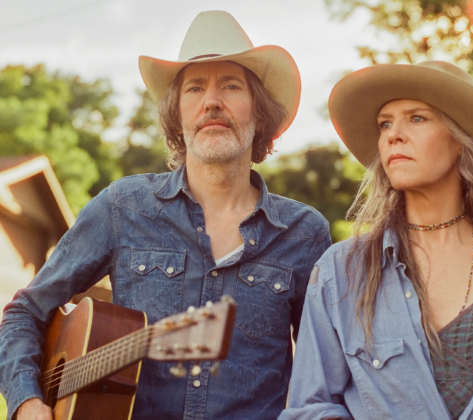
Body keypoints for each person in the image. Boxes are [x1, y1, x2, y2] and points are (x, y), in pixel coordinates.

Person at [0, 10, 331, 420]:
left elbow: (323, 377)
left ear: (259, 111)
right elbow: (22, 313)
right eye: (195, 88)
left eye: (230, 85)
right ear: (177, 113)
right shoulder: (124, 206)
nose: (212, 101)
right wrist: (27, 404)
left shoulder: (304, 233)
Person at [280, 61, 473, 420]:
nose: (393, 134)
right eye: (385, 123)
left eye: (416, 118)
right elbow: (310, 407)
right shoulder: (341, 271)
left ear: (461, 141)